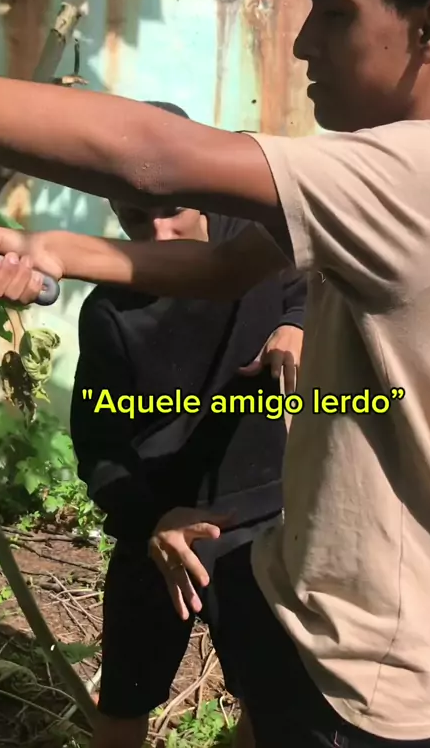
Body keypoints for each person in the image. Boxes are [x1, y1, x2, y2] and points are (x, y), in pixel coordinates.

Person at [0, 0, 430, 747]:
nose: (302, 42)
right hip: (307, 592)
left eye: (334, 13)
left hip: (367, 670)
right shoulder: (399, 183)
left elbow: (158, 159)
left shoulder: (424, 174)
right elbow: (222, 268)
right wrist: (53, 248)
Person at [71, 101, 306, 748]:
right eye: (133, 217)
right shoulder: (111, 311)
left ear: (202, 188)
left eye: (172, 208)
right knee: (124, 701)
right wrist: (152, 519)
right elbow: (99, 447)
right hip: (160, 532)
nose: (158, 234)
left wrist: (295, 326)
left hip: (262, 522)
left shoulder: (256, 247)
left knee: (268, 704)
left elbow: (306, 285)